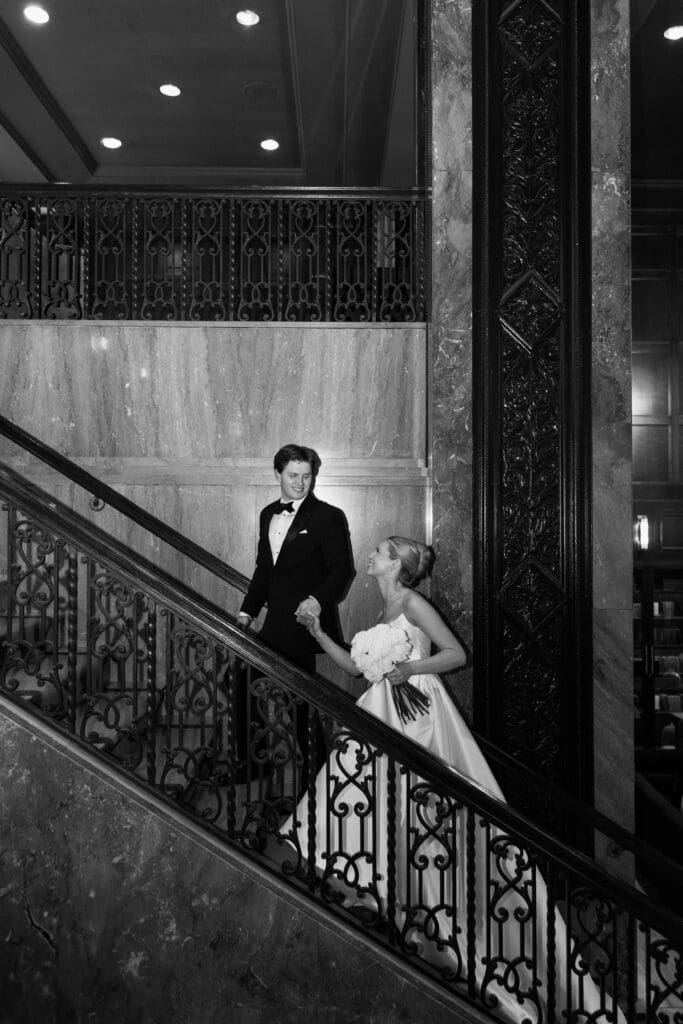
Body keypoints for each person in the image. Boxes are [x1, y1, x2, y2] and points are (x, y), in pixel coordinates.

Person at [281, 536, 622, 1024]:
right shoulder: (384, 611)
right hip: (383, 712)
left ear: (396, 565)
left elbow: (456, 654)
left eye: (380, 552)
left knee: (426, 815)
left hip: (419, 718)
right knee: (373, 801)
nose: (372, 556)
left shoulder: (413, 603)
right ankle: (390, 897)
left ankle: (438, 915)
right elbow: (356, 667)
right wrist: (317, 631)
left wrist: (409, 668)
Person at [237, 443, 353, 793]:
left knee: (289, 695)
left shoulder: (328, 516)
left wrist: (316, 601)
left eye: (307, 476)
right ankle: (288, 766)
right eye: (293, 476)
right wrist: (246, 612)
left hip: (304, 622)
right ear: (277, 474)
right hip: (275, 620)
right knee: (275, 691)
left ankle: (304, 771)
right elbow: (264, 569)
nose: (301, 483)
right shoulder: (267, 513)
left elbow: (341, 570)